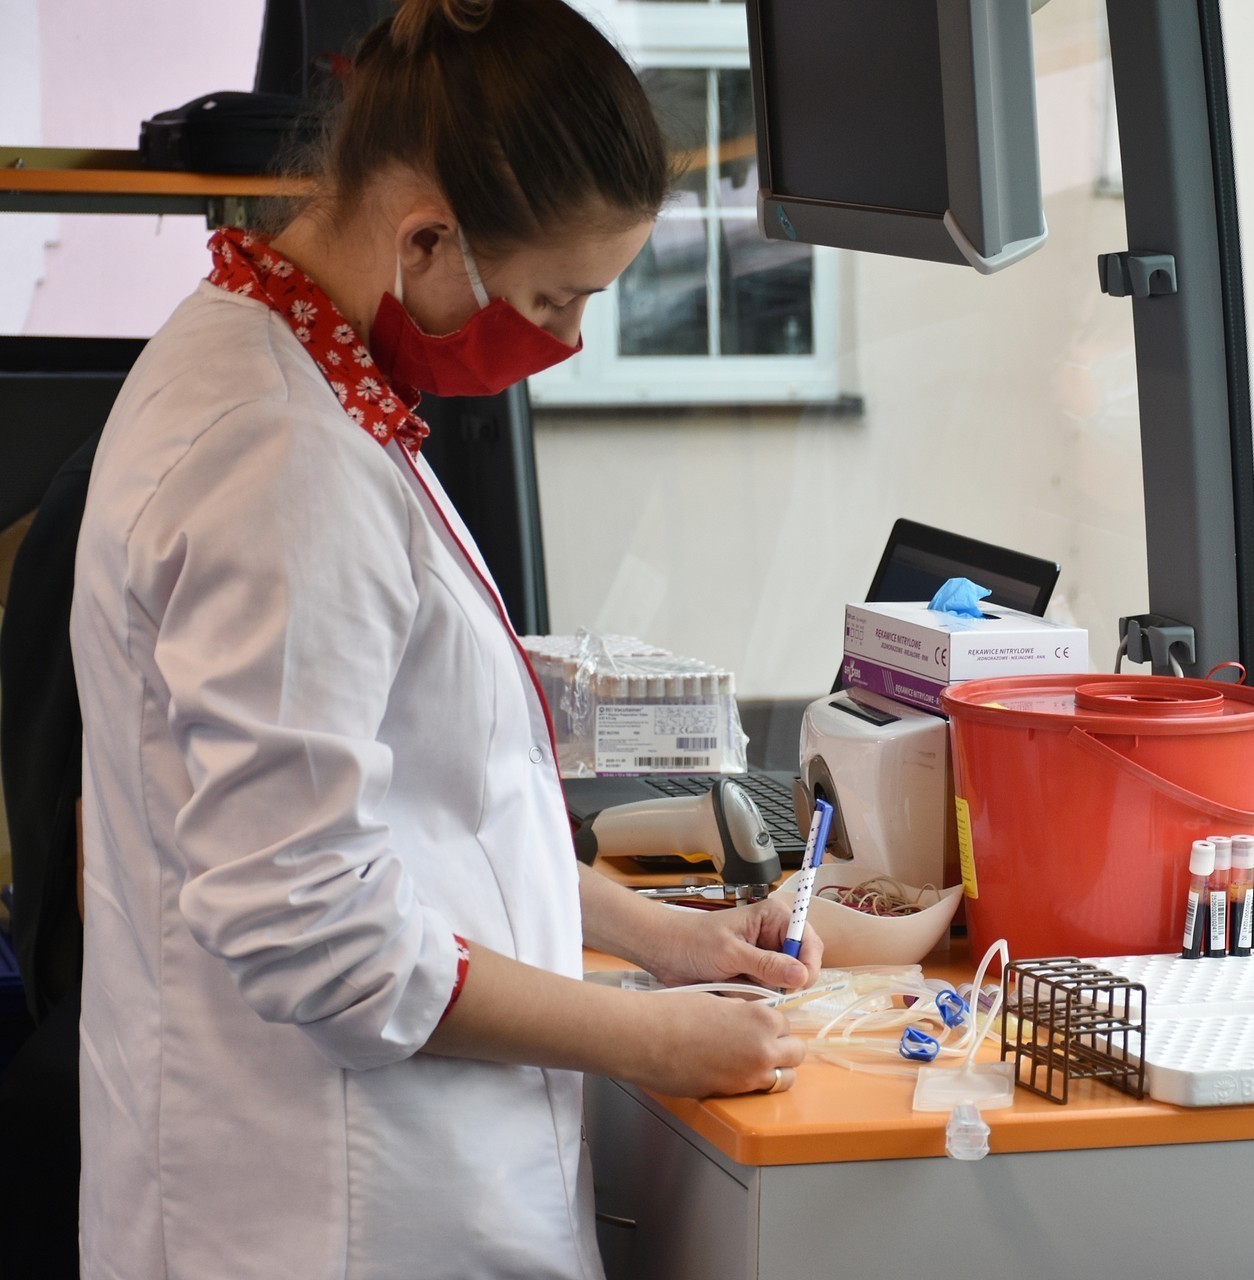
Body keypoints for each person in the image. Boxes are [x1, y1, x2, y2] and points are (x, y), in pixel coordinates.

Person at [67, 2, 818, 1276]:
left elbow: (431, 819)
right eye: (552, 296)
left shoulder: (298, 368)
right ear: (427, 238)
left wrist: (661, 939)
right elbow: (322, 933)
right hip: (326, 1210)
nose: (567, 340)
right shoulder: (283, 458)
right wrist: (650, 1038)